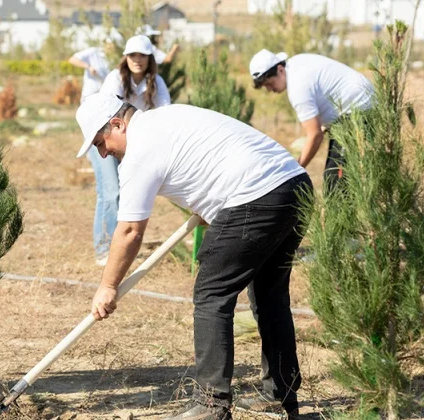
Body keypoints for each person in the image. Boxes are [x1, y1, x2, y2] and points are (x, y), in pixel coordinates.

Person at [75, 92, 313, 420]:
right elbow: (210, 158)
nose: (103, 154)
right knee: (270, 296)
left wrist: (108, 285)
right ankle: (279, 396)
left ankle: (211, 405)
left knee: (211, 294)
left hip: (257, 194)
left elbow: (130, 230)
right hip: (294, 186)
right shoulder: (168, 117)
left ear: (118, 124)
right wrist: (209, 203)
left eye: (101, 143)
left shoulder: (140, 150)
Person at [81, 35, 171, 266]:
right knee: (110, 191)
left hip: (131, 142)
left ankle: (117, 246)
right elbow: (107, 117)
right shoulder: (115, 79)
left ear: (149, 58)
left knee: (125, 191)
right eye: (133, 55)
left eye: (142, 55)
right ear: (126, 58)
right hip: (105, 138)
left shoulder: (156, 82)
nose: (137, 60)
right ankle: (104, 247)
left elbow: (165, 112)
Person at [250, 49, 374, 192]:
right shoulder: (297, 63)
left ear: (280, 69)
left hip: (357, 112)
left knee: (336, 186)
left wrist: (295, 169)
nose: (269, 89)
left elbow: (315, 135)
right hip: (359, 108)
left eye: (269, 83)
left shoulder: (298, 88)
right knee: (341, 179)